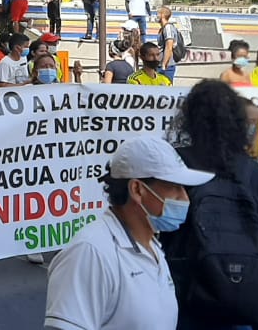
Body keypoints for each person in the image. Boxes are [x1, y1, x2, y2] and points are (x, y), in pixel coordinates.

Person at [44, 136, 214, 330]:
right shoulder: (91, 252)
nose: (184, 197)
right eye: (174, 186)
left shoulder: (153, 247)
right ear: (137, 190)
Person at [164, 80, 258, 330]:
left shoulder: (175, 163)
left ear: (189, 118)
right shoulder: (254, 170)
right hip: (240, 297)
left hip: (185, 296)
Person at [155, 7, 180, 82]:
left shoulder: (168, 28)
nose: (156, 16)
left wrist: (164, 65)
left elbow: (169, 47)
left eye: (157, 14)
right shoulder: (163, 28)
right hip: (160, 64)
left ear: (162, 15)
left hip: (166, 66)